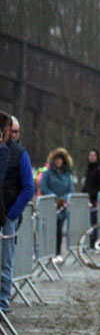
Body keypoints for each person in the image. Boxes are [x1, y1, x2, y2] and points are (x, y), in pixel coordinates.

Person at [1, 114, 34, 314]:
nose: (12, 134)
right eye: (9, 130)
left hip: (7, 216)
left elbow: (28, 188)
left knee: (5, 262)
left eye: (16, 131)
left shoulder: (20, 154)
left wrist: (11, 214)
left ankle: (3, 304)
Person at [40, 147, 74, 263]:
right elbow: (44, 188)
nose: (58, 161)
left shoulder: (67, 174)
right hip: (49, 205)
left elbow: (71, 189)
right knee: (48, 230)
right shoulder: (47, 174)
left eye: (60, 159)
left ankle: (57, 253)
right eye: (56, 159)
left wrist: (63, 199)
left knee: (59, 230)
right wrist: (55, 197)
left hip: (62, 207)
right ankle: (45, 252)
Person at [82, 149, 100, 234]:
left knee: (95, 221)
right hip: (88, 198)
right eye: (90, 155)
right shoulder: (88, 168)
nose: (92, 157)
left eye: (94, 156)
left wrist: (92, 195)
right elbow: (87, 183)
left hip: (95, 199)